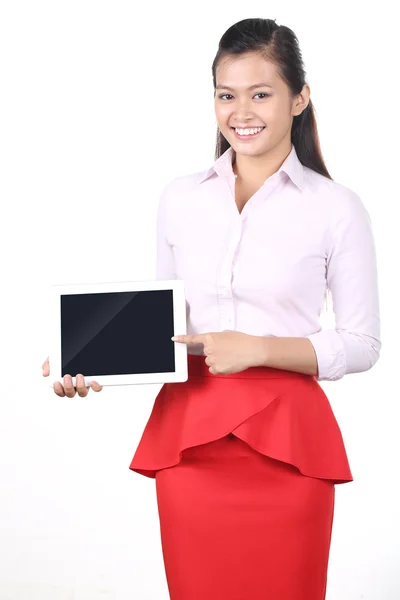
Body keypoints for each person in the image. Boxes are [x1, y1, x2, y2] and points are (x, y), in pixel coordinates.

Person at [42, 17, 381, 600]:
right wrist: (91, 359)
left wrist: (260, 350)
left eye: (261, 93)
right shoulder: (180, 197)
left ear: (299, 98)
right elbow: (163, 323)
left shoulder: (336, 208)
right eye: (227, 95)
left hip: (288, 445)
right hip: (191, 442)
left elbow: (362, 344)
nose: (240, 111)